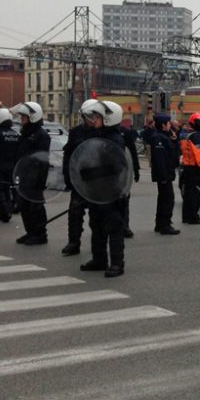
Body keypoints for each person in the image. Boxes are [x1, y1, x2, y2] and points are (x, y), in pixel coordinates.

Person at [78, 100, 128, 277]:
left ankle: (116, 264)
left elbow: (116, 167)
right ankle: (99, 259)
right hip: (97, 190)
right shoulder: (97, 136)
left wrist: (93, 173)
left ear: (109, 119)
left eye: (98, 117)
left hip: (111, 191)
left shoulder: (115, 140)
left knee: (113, 227)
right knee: (96, 225)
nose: (95, 120)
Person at [11, 102, 50, 245]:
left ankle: (40, 234)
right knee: (24, 206)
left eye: (24, 116)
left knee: (36, 207)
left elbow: (43, 159)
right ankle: (30, 232)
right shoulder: (25, 133)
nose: (21, 119)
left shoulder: (41, 135)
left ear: (33, 117)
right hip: (24, 175)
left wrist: (40, 180)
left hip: (35, 177)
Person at [60, 101, 96, 255]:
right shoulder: (76, 132)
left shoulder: (104, 131)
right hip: (79, 178)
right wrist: (67, 176)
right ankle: (73, 242)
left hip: (97, 179)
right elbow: (68, 155)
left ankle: (98, 247)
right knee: (75, 213)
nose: (92, 119)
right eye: (89, 116)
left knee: (97, 216)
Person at [149, 114, 180, 236]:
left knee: (163, 198)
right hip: (164, 174)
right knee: (168, 199)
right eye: (168, 123)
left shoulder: (164, 137)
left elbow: (172, 152)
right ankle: (165, 224)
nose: (170, 125)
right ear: (163, 125)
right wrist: (163, 176)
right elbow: (160, 158)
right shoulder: (158, 138)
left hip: (166, 173)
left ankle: (160, 223)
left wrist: (174, 140)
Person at [180, 112, 200, 224]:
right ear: (196, 123)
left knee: (188, 193)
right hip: (195, 168)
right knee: (195, 194)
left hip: (188, 167)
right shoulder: (197, 136)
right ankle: (193, 217)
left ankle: (186, 216)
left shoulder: (188, 135)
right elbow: (199, 153)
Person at [0, 107, 19, 223]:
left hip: (0, 165)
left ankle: (5, 209)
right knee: (8, 188)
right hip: (13, 166)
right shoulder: (15, 134)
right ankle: (5, 211)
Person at [119, 119, 141, 238]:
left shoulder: (125, 133)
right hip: (108, 174)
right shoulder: (101, 132)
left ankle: (125, 226)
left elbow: (132, 151)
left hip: (123, 171)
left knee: (124, 199)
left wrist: (136, 170)